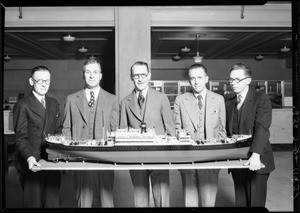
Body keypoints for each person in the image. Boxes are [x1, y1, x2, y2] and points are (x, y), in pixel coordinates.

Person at [62, 58, 119, 208]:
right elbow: (66, 129)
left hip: (105, 158)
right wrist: (69, 156)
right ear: (83, 75)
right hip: (81, 158)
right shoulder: (71, 99)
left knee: (107, 201)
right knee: (83, 202)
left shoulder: (112, 99)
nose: (91, 75)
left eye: (95, 72)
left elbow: (115, 130)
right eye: (88, 72)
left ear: (100, 75)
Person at [119, 61, 175, 207]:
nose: (140, 78)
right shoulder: (125, 102)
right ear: (131, 77)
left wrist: (170, 154)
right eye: (136, 75)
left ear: (149, 75)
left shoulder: (161, 98)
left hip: (159, 156)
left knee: (162, 198)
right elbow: (123, 131)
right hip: (136, 157)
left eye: (143, 74)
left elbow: (170, 129)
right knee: (140, 199)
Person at [173, 64, 226, 207]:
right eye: (192, 78)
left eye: (199, 77)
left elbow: (222, 130)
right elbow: (176, 128)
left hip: (210, 160)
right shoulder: (180, 100)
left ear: (206, 79)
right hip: (187, 158)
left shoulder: (219, 99)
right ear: (189, 81)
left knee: (209, 203)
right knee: (189, 202)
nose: (196, 81)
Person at [225, 62, 275, 207]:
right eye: (231, 79)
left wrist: (256, 155)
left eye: (237, 80)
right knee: (240, 202)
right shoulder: (229, 102)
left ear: (248, 80)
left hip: (257, 159)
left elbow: (262, 128)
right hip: (237, 161)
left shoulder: (261, 98)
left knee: (255, 204)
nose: (233, 83)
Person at [13, 66, 62, 207]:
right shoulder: (22, 105)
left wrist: (58, 149)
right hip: (32, 163)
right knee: (33, 204)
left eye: (47, 81)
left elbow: (58, 129)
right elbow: (20, 138)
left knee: (52, 203)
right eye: (40, 80)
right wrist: (29, 157)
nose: (44, 84)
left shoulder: (53, 103)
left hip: (52, 162)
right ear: (31, 81)